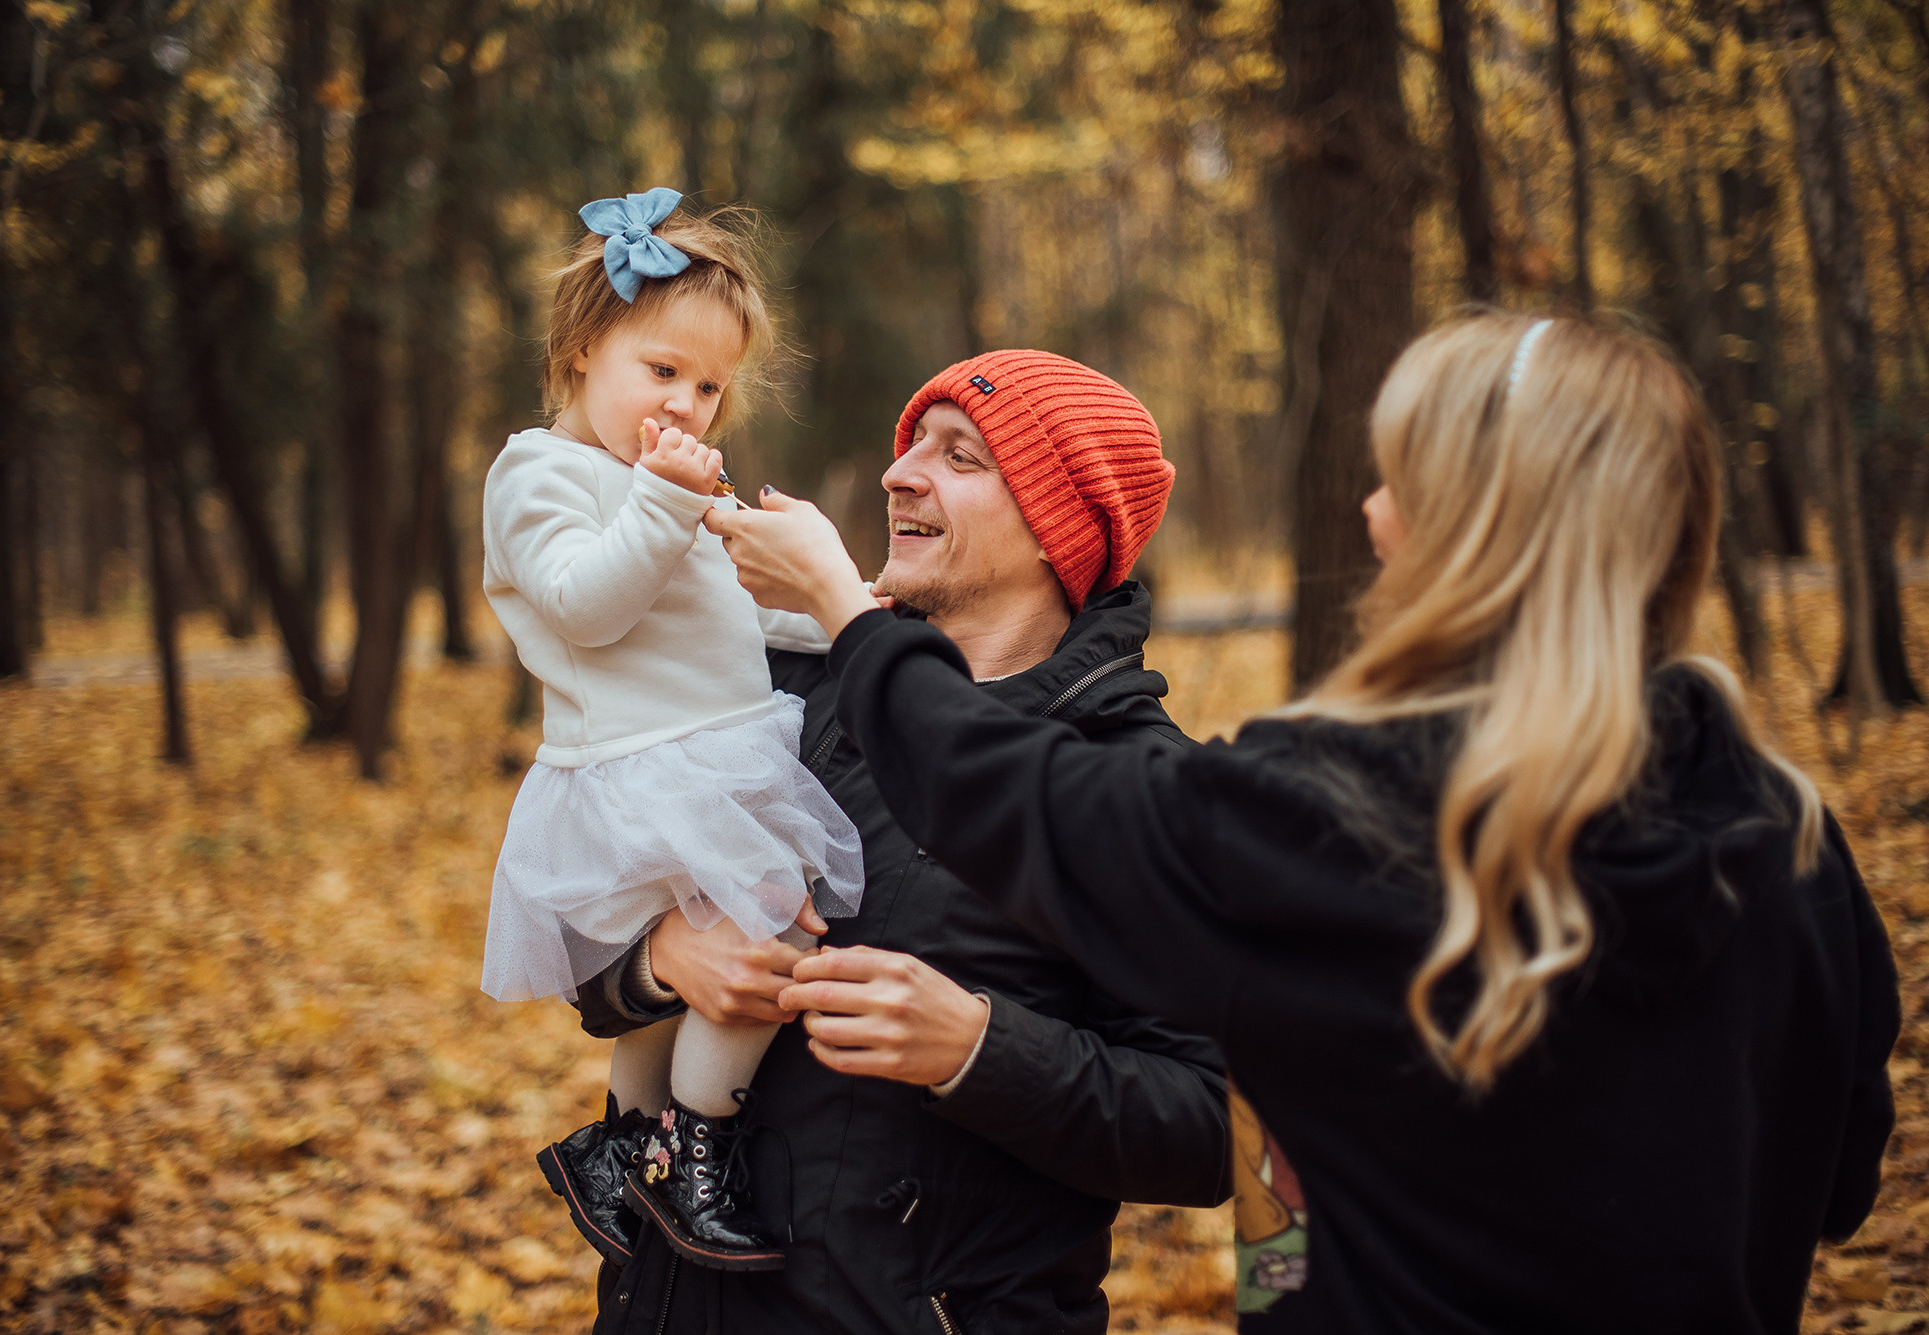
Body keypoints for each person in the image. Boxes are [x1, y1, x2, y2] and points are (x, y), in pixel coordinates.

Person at [712, 313, 1902, 1333]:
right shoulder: (1792, 843)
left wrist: (847, 615)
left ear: (1480, 531)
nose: (1372, 516)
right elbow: (1837, 1182)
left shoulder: (1346, 813)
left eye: (1401, 483)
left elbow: (1023, 806)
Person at [575, 349, 1232, 1333]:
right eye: (912, 443)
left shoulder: (1141, 786)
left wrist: (975, 1048)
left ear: (1058, 528)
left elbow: (1213, 1127)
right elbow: (578, 924)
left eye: (960, 456)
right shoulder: (779, 691)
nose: (898, 473)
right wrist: (656, 960)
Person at [479, 187, 865, 1273]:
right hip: (640, 768)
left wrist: (850, 611)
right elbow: (582, 604)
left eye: (709, 386)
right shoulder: (538, 473)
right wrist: (661, 502)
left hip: (708, 749)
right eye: (663, 370)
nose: (688, 404)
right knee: (776, 933)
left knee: (685, 980)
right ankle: (699, 1147)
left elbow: (731, 606)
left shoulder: (653, 478)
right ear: (580, 350)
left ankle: (623, 1147)